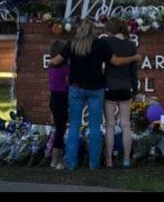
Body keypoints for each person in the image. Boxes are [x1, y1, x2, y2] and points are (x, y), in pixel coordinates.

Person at [50, 19, 141, 170]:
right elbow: (116, 62)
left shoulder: (72, 44)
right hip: (96, 89)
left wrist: (57, 63)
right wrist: (134, 57)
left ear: (80, 30)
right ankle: (94, 164)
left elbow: (55, 61)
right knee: (94, 127)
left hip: (76, 89)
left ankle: (71, 163)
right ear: (93, 30)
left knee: (74, 125)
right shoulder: (100, 44)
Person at [102, 18, 138, 168]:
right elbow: (133, 72)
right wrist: (135, 89)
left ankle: (109, 160)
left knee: (109, 125)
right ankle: (126, 160)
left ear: (110, 29)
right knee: (126, 124)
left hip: (110, 86)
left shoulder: (107, 42)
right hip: (126, 87)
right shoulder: (132, 45)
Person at [47, 39, 70, 169]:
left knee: (58, 129)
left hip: (53, 98)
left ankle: (54, 160)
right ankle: (57, 162)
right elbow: (68, 83)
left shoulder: (51, 68)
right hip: (62, 98)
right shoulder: (66, 68)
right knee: (61, 130)